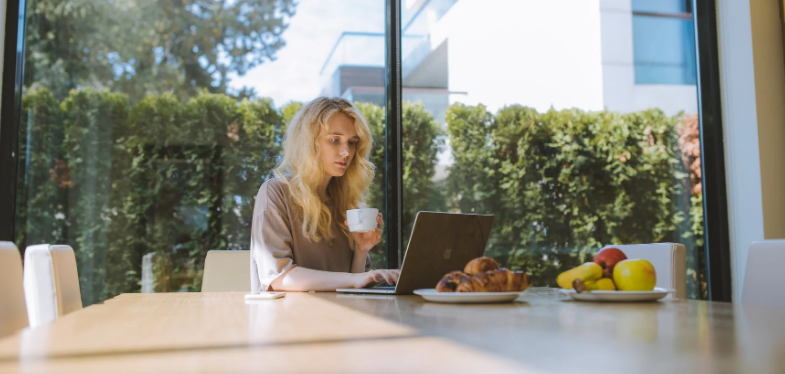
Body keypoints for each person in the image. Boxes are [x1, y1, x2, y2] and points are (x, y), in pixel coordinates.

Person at [250, 97, 400, 292]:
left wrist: (361, 250)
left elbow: (351, 287)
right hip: (286, 319)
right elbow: (279, 278)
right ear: (309, 143)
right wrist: (357, 280)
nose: (346, 152)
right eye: (335, 140)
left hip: (337, 318)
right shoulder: (276, 192)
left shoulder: (346, 202)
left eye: (352, 142)